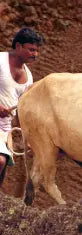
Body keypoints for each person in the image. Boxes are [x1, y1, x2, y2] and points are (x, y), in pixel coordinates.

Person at [0, 27, 41, 181]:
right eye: (31, 50)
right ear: (18, 46)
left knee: (2, 170)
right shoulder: (0, 61)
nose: (35, 54)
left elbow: (20, 110)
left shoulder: (28, 77)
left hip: (5, 129)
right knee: (0, 161)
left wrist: (27, 138)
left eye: (37, 51)